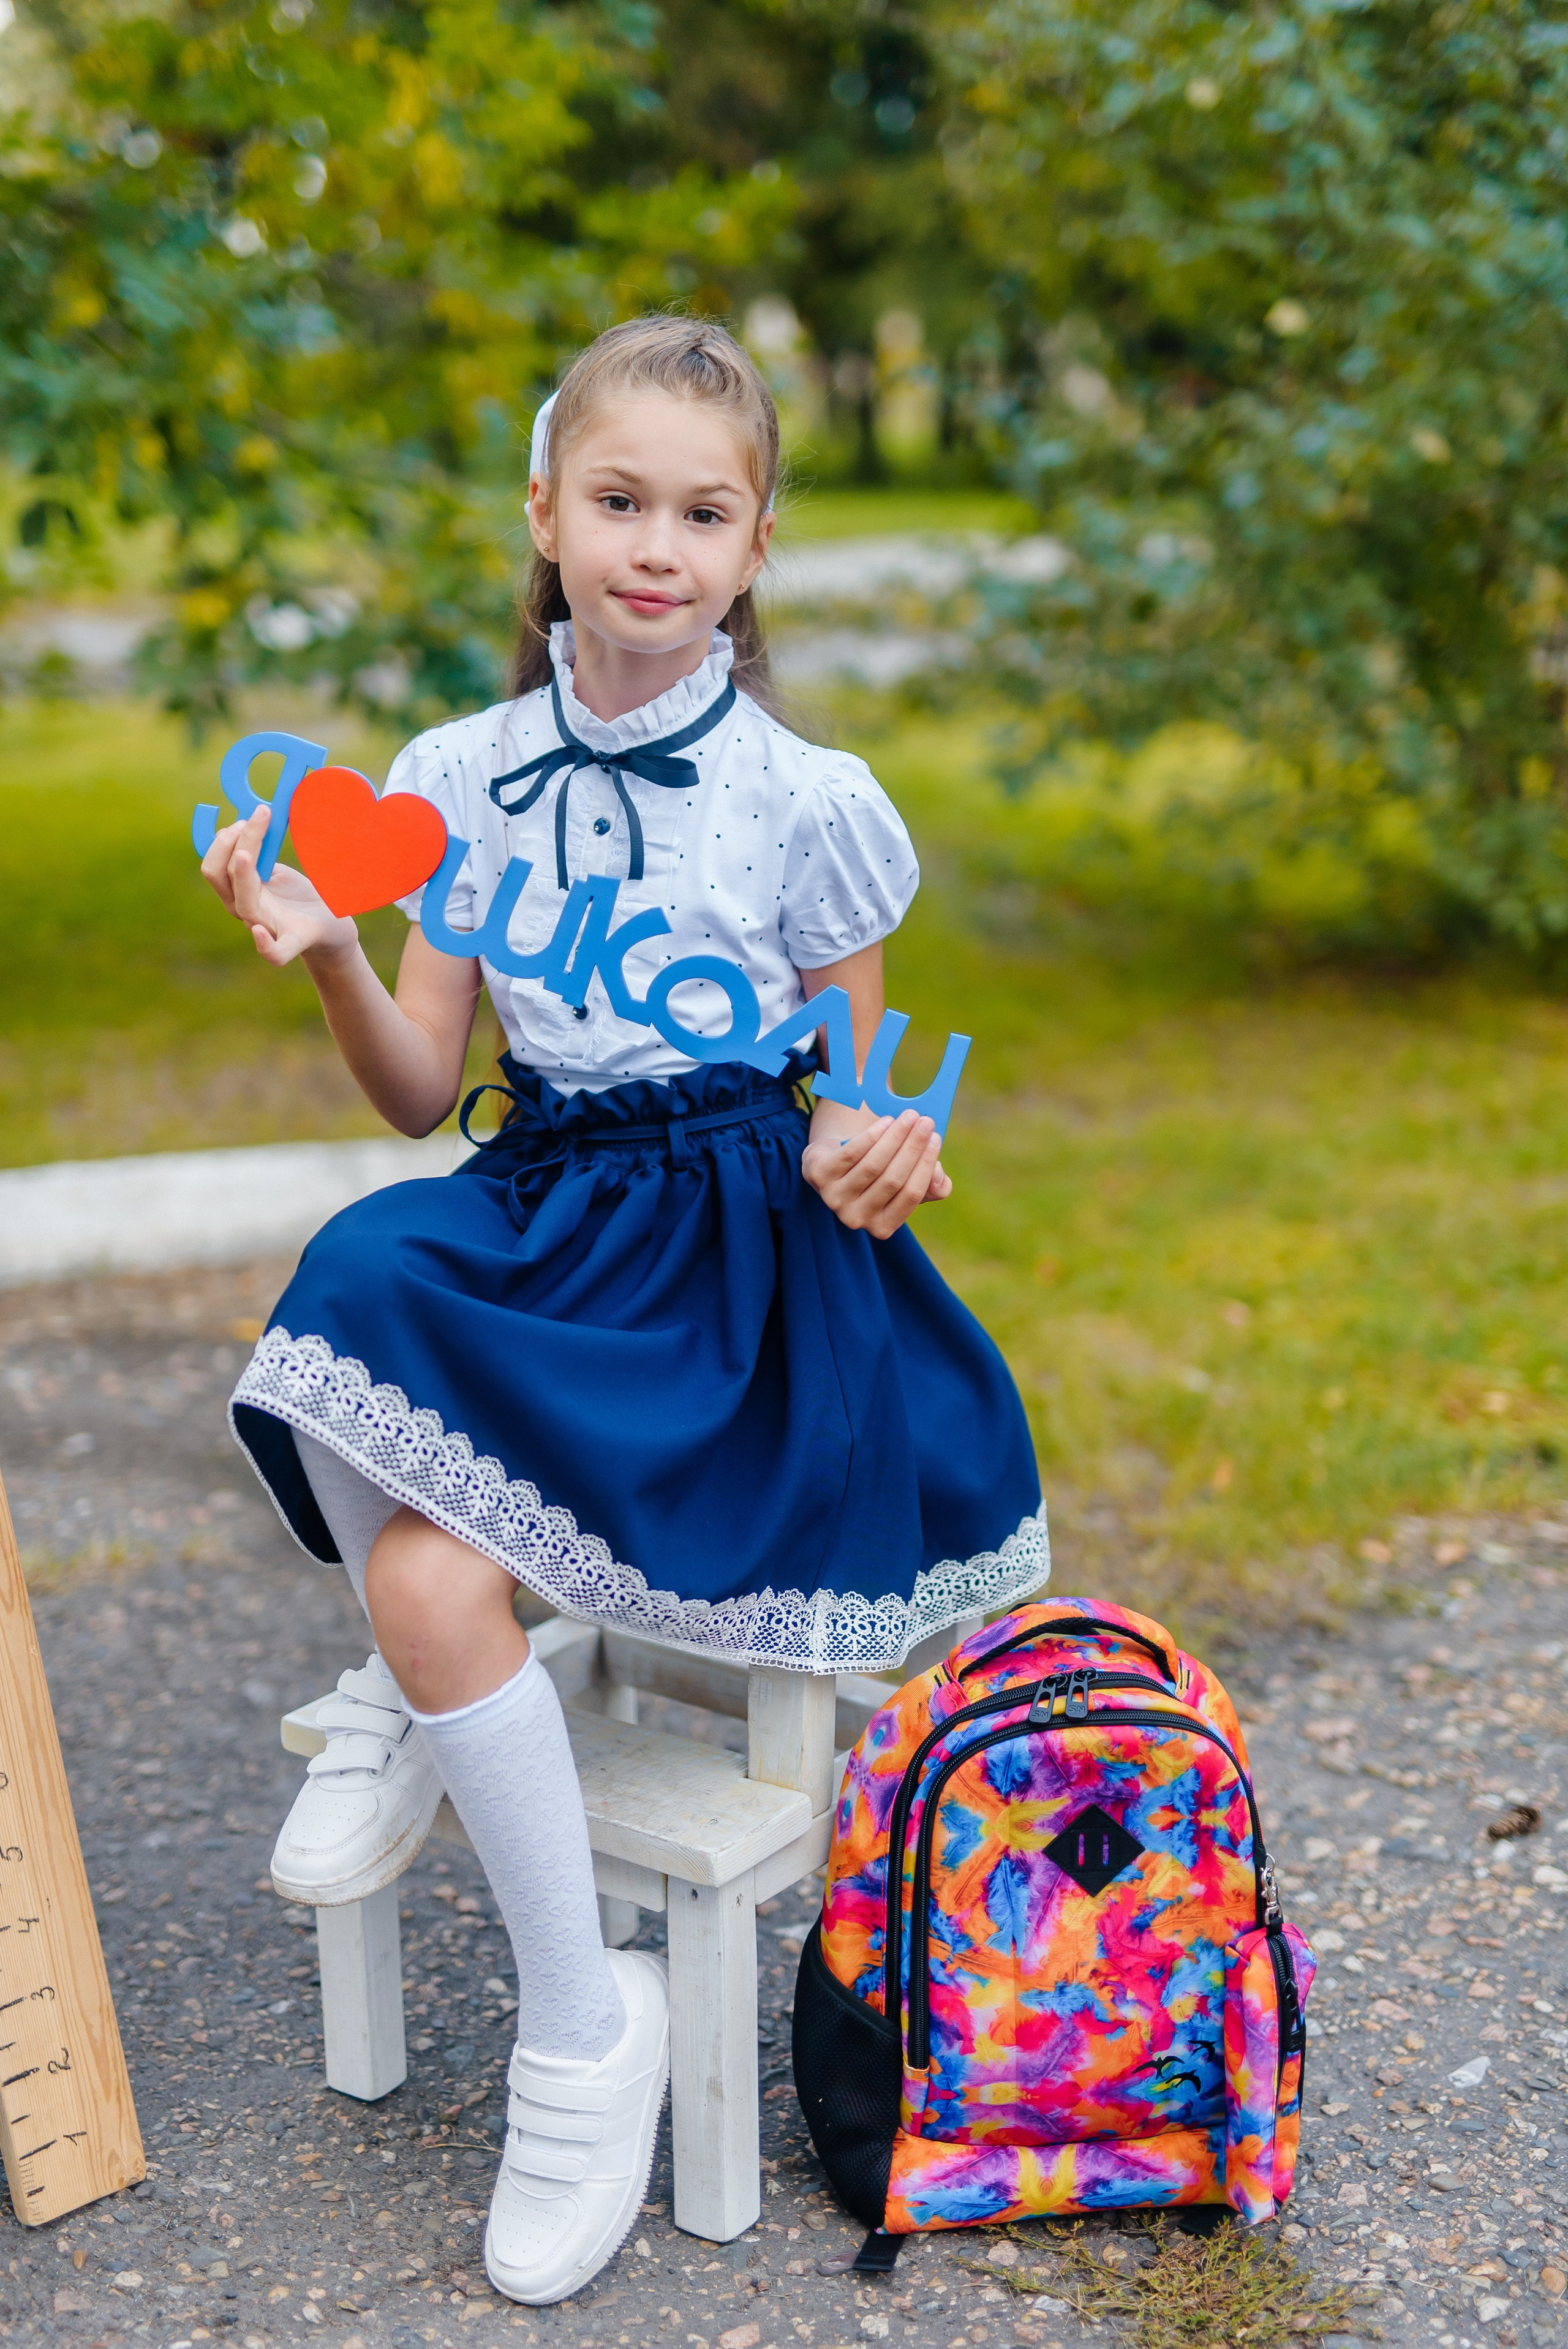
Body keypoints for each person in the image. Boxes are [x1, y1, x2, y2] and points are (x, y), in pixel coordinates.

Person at [202, 314, 1047, 2304]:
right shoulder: (458, 780)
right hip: (551, 1201)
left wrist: (890, 1133)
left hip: (737, 1259)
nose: (656, 544)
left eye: (704, 510)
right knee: (357, 1270)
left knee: (420, 1576)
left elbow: (878, 1082)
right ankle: (578, 1998)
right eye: (618, 500)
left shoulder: (799, 792)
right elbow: (423, 1090)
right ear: (546, 514)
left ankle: (546, 1965)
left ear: (755, 550)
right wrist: (332, 950)